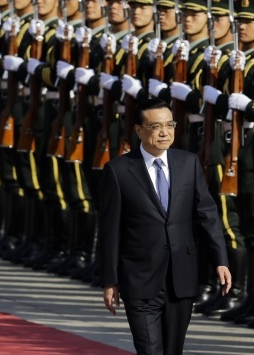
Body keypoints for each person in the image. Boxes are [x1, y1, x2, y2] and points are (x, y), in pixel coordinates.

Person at [97, 98, 231, 355]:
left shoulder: (188, 162)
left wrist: (220, 260)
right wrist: (109, 280)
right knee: (149, 349)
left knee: (173, 350)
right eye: (156, 126)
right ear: (138, 130)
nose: (164, 132)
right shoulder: (118, 171)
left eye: (169, 125)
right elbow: (109, 230)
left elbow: (207, 215)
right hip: (139, 279)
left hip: (181, 277)